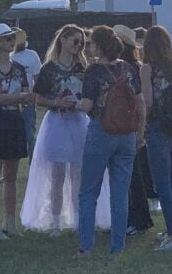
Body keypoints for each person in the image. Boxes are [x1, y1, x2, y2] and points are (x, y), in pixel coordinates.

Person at [20, 25, 110, 235]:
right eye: (75, 41)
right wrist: (56, 102)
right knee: (57, 175)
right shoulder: (49, 68)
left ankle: (79, 219)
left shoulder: (83, 68)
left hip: (79, 120)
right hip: (57, 122)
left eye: (81, 42)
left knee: (78, 173)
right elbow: (38, 97)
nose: (79, 46)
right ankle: (56, 222)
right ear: (63, 40)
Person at [77, 25, 145, 255]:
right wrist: (140, 132)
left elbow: (87, 105)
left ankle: (86, 247)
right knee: (120, 192)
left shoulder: (94, 71)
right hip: (127, 133)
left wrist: (74, 103)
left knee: (88, 192)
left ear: (96, 46)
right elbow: (140, 102)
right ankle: (118, 246)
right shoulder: (128, 68)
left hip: (101, 131)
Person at [140, 25, 172, 250]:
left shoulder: (147, 68)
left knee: (162, 185)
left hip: (159, 127)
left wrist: (141, 127)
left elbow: (148, 102)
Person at [0, 24, 32, 240]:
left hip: (14, 120)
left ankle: (10, 221)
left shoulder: (19, 68)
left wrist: (15, 98)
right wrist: (18, 98)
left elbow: (28, 95)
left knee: (11, 175)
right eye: (7, 39)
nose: (11, 42)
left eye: (13, 39)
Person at [115, 24, 153, 236]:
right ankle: (138, 218)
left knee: (130, 176)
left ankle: (134, 218)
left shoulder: (128, 68)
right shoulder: (134, 66)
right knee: (133, 175)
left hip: (129, 126)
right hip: (132, 125)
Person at [12, 37, 42, 160]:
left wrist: (35, 98)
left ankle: (33, 163)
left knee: (29, 135)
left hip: (27, 102)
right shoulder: (8, 56)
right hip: (11, 102)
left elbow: (37, 79)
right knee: (12, 136)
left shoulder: (32, 55)